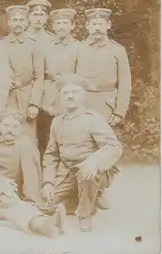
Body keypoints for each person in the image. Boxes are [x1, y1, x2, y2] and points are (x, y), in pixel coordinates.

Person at [41, 74, 122, 232]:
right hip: (66, 172)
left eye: (75, 92)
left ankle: (85, 213)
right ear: (61, 96)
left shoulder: (93, 119)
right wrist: (48, 182)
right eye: (66, 93)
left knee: (87, 175)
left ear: (82, 94)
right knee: (46, 204)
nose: (70, 96)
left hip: (90, 170)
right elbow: (51, 155)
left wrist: (94, 162)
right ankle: (77, 199)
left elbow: (114, 147)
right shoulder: (57, 122)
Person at [75, 8, 131, 209]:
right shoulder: (79, 49)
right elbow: (71, 80)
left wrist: (119, 111)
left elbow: (125, 84)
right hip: (83, 104)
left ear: (108, 26)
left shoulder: (117, 50)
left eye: (101, 24)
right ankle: (82, 189)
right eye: (93, 24)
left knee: (105, 148)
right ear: (87, 26)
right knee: (83, 145)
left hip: (106, 106)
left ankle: (100, 190)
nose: (97, 28)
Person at [0, 5, 44, 144]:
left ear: (26, 22)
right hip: (6, 97)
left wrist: (34, 103)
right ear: (8, 22)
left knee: (28, 138)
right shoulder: (0, 44)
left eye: (21, 20)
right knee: (6, 134)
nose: (18, 23)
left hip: (26, 97)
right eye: (14, 19)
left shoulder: (34, 45)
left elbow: (39, 77)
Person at [37, 8, 80, 159]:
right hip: (48, 98)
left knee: (69, 137)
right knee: (46, 138)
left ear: (72, 26)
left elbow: (80, 76)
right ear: (53, 26)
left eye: (65, 23)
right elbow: (39, 74)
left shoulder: (78, 47)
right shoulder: (45, 47)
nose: (61, 26)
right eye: (58, 23)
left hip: (69, 97)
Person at [0, 108, 43, 204]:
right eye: (6, 126)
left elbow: (31, 178)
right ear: (0, 126)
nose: (10, 130)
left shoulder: (26, 147)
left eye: (15, 126)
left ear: (21, 128)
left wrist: (31, 200)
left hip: (10, 191)